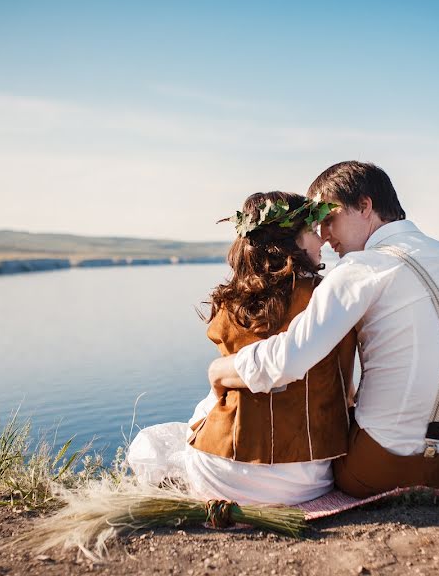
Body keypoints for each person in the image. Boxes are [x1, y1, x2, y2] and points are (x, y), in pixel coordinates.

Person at [208, 162, 439, 498]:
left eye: (329, 220)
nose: (324, 235)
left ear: (365, 206)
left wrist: (221, 369)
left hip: (380, 469)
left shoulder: (360, 268)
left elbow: (288, 361)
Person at [127, 191, 357, 505]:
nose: (321, 242)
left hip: (222, 472)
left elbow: (223, 393)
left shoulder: (235, 302)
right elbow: (346, 394)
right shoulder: (329, 300)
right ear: (294, 242)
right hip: (308, 480)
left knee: (151, 443)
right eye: (312, 232)